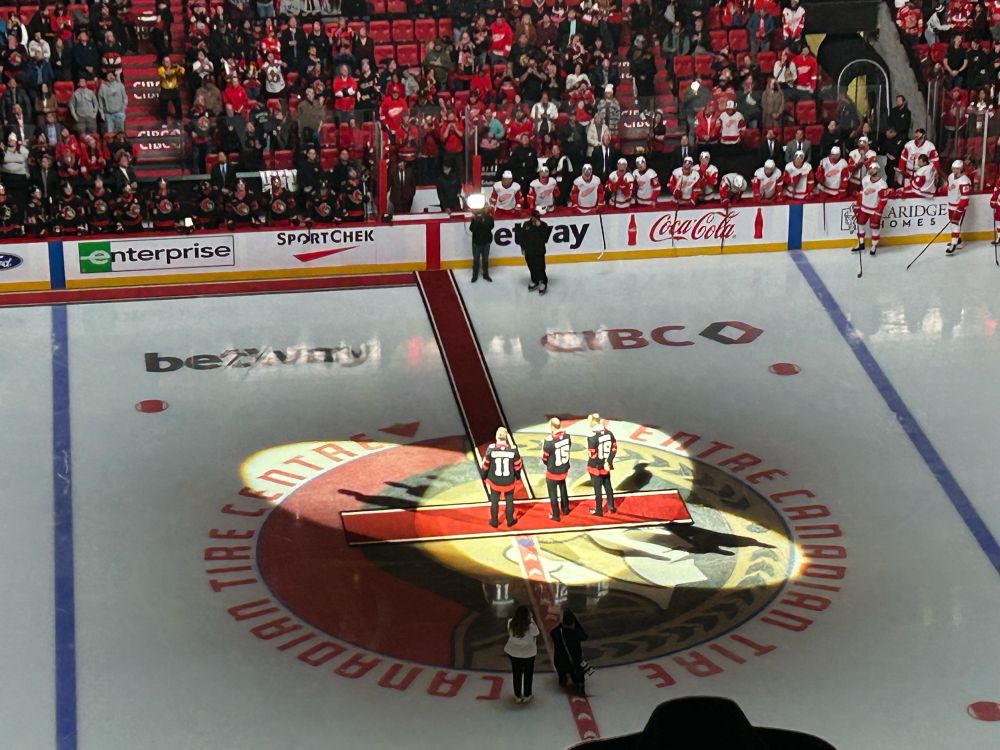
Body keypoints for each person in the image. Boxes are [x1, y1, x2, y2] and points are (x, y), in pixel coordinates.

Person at [482, 426, 522, 528]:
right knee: (509, 500)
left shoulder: (491, 449)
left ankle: (494, 521)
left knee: (494, 501)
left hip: (494, 480)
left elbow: (485, 464)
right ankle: (510, 520)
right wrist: (518, 476)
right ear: (506, 437)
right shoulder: (513, 450)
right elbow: (518, 465)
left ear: (496, 436)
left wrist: (484, 476)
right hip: (509, 481)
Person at [503, 605, 539, 704]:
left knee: (517, 674)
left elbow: (510, 633)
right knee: (528, 673)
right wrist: (531, 619)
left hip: (513, 652)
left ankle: (517, 696)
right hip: (528, 653)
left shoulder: (510, 622)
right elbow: (536, 633)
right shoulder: (530, 625)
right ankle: (527, 695)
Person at [853, 163, 890, 256]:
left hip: (874, 209)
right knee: (860, 224)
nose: (870, 170)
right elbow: (862, 192)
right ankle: (861, 243)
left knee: (875, 227)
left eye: (872, 169)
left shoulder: (882, 184)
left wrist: (878, 211)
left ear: (877, 170)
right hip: (864, 207)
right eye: (869, 168)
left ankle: (874, 246)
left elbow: (883, 200)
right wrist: (858, 204)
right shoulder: (865, 179)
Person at [551, 609, 589, 695]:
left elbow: (553, 632)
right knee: (578, 666)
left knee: (563, 660)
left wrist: (561, 625)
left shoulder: (557, 632)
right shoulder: (576, 633)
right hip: (575, 663)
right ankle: (578, 683)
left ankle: (565, 678)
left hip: (560, 663)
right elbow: (584, 636)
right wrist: (577, 625)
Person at [540, 417, 571, 520]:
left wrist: (547, 463)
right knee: (563, 489)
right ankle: (566, 509)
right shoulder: (567, 436)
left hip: (553, 471)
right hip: (563, 469)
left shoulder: (549, 441)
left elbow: (545, 458)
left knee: (553, 494)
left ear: (552, 426)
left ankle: (556, 515)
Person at [515, 210, 553, 294]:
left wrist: (540, 227)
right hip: (528, 251)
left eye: (537, 217)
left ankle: (543, 282)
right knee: (531, 266)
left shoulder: (543, 225)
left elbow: (545, 239)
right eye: (534, 217)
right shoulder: (526, 224)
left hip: (539, 251)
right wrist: (522, 248)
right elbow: (522, 238)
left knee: (540, 267)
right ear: (531, 217)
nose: (536, 219)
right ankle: (535, 280)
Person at [586, 413, 617, 515]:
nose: (588, 422)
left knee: (597, 489)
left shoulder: (592, 436)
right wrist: (608, 461)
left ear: (593, 421)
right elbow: (614, 448)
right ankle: (611, 506)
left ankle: (599, 510)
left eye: (589, 420)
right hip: (606, 465)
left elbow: (592, 454)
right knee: (608, 485)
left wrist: (597, 461)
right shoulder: (609, 433)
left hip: (595, 466)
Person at [945, 159, 971, 255]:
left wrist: (960, 209)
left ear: (960, 169)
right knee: (952, 223)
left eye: (956, 168)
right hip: (951, 205)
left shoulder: (964, 180)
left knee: (955, 224)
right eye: (953, 168)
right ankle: (958, 241)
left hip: (958, 207)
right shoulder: (950, 176)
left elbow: (965, 197)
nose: (953, 170)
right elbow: (949, 187)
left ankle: (953, 244)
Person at [469, 207, 494, 283]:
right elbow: (471, 229)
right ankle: (475, 275)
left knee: (485, 260)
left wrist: (483, 222)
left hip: (486, 242)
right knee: (476, 260)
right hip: (476, 243)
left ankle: (485, 274)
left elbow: (491, 227)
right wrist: (475, 221)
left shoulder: (489, 218)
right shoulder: (475, 218)